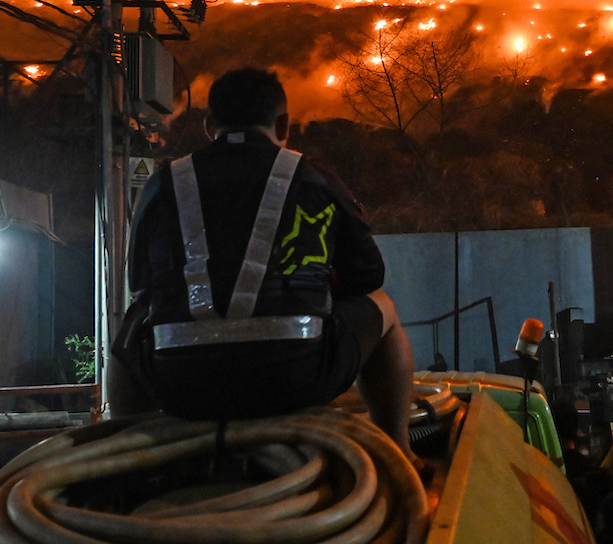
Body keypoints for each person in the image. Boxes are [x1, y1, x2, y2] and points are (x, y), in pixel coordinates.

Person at [108, 67, 415, 459]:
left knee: (132, 322)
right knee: (382, 304)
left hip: (183, 382)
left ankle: (126, 462)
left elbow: (142, 286)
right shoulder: (315, 177)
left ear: (208, 126)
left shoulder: (163, 183)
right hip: (296, 373)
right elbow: (368, 276)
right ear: (284, 123)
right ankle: (399, 450)